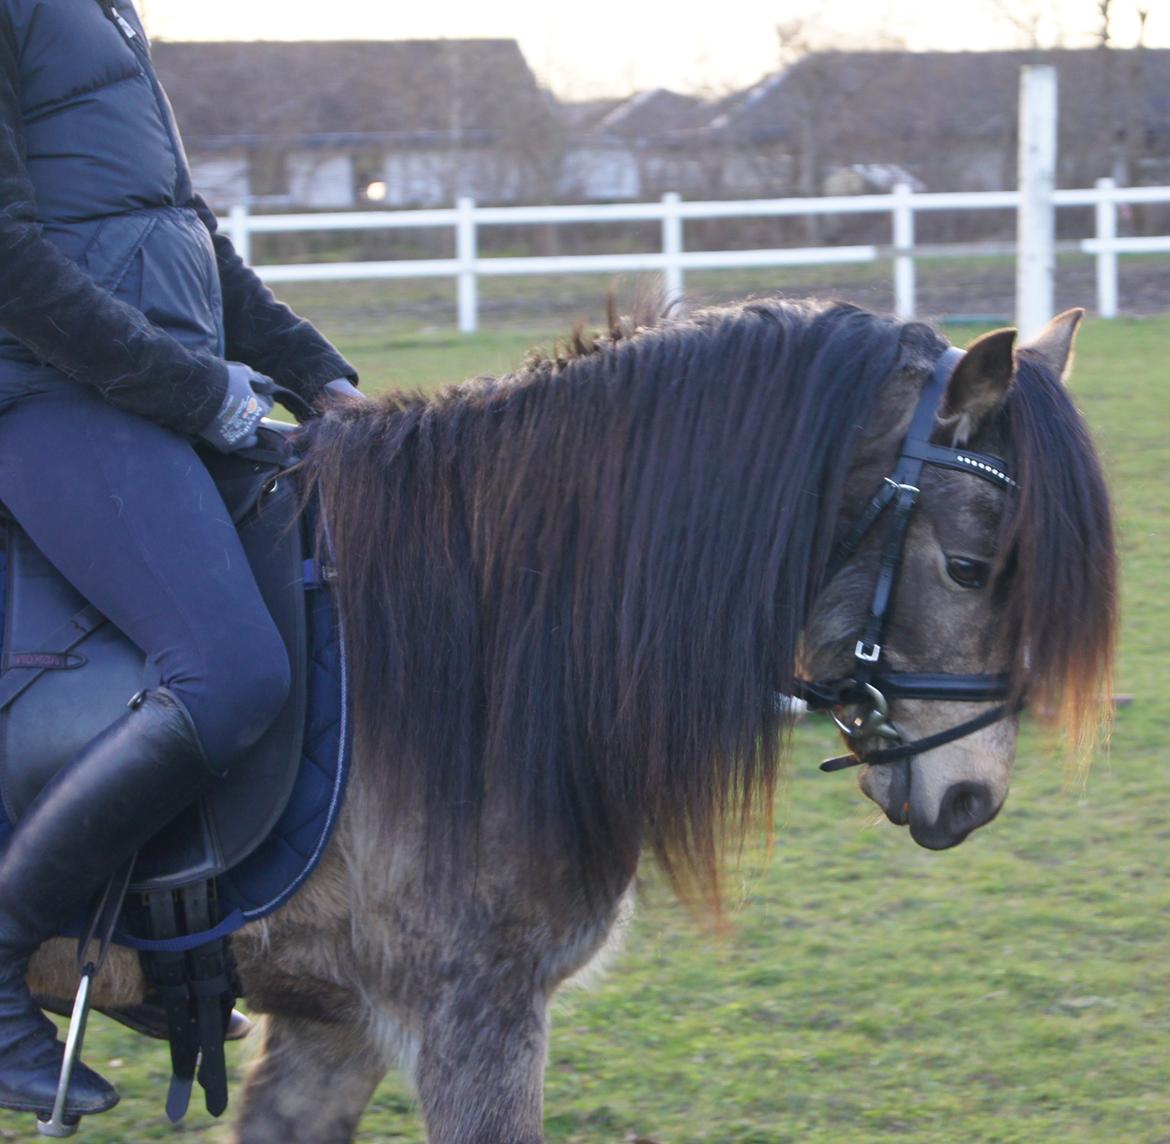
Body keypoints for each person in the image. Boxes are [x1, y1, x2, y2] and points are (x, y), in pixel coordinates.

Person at [0, 0, 363, 1118]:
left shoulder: (107, 9)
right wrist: (203, 393)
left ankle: (169, 939)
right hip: (51, 391)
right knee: (228, 669)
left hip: (148, 389)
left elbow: (178, 231)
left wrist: (318, 372)